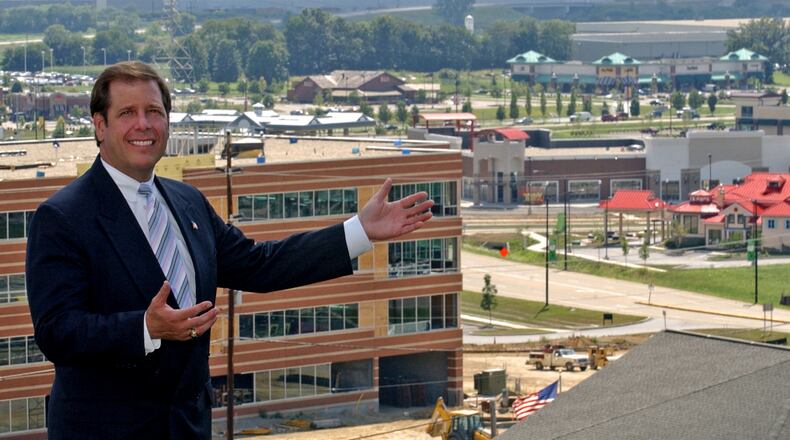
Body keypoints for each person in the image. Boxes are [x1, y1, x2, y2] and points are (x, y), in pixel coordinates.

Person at [25, 61, 433, 439]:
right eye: (127, 113)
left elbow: (260, 265)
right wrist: (145, 328)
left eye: (154, 112)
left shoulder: (187, 202)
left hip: (188, 427)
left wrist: (359, 231)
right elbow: (57, 331)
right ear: (99, 125)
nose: (144, 125)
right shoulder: (62, 217)